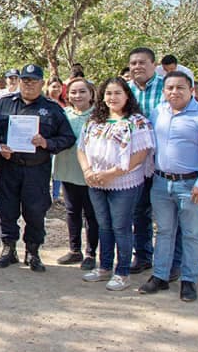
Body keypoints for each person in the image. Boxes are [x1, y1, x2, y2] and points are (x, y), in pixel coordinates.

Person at [139, 71, 198, 302]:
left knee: (191, 233)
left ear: (191, 90)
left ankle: (189, 280)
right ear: (164, 91)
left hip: (191, 185)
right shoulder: (159, 112)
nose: (174, 92)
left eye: (180, 88)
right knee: (164, 231)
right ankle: (160, 276)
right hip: (160, 182)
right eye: (170, 88)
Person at [0, 64, 76, 272]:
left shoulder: (52, 108)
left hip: (37, 169)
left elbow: (67, 138)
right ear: (19, 82)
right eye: (25, 80)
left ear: (42, 83)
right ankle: (8, 249)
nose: (28, 84)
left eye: (33, 81)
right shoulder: (3, 104)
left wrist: (46, 143)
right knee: (7, 209)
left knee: (35, 211)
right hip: (9, 167)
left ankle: (33, 251)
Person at [77, 78, 155, 291]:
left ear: (127, 95)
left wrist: (112, 174)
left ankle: (122, 272)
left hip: (124, 183)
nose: (112, 97)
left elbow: (140, 154)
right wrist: (87, 171)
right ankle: (104, 267)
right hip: (95, 182)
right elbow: (81, 148)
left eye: (117, 93)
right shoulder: (94, 120)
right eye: (109, 93)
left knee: (121, 227)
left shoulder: (136, 122)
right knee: (104, 225)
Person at [126, 47, 173, 275]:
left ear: (154, 65)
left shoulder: (167, 88)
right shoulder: (127, 90)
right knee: (139, 210)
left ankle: (172, 261)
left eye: (142, 62)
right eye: (133, 63)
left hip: (164, 160)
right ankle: (143, 256)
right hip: (136, 161)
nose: (137, 67)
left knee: (167, 216)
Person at [52, 78, 99, 270]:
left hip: (90, 172)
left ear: (91, 94)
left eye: (82, 92)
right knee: (72, 211)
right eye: (73, 92)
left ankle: (91, 253)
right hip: (67, 167)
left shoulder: (98, 116)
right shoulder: (63, 114)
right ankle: (74, 250)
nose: (77, 96)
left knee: (91, 213)